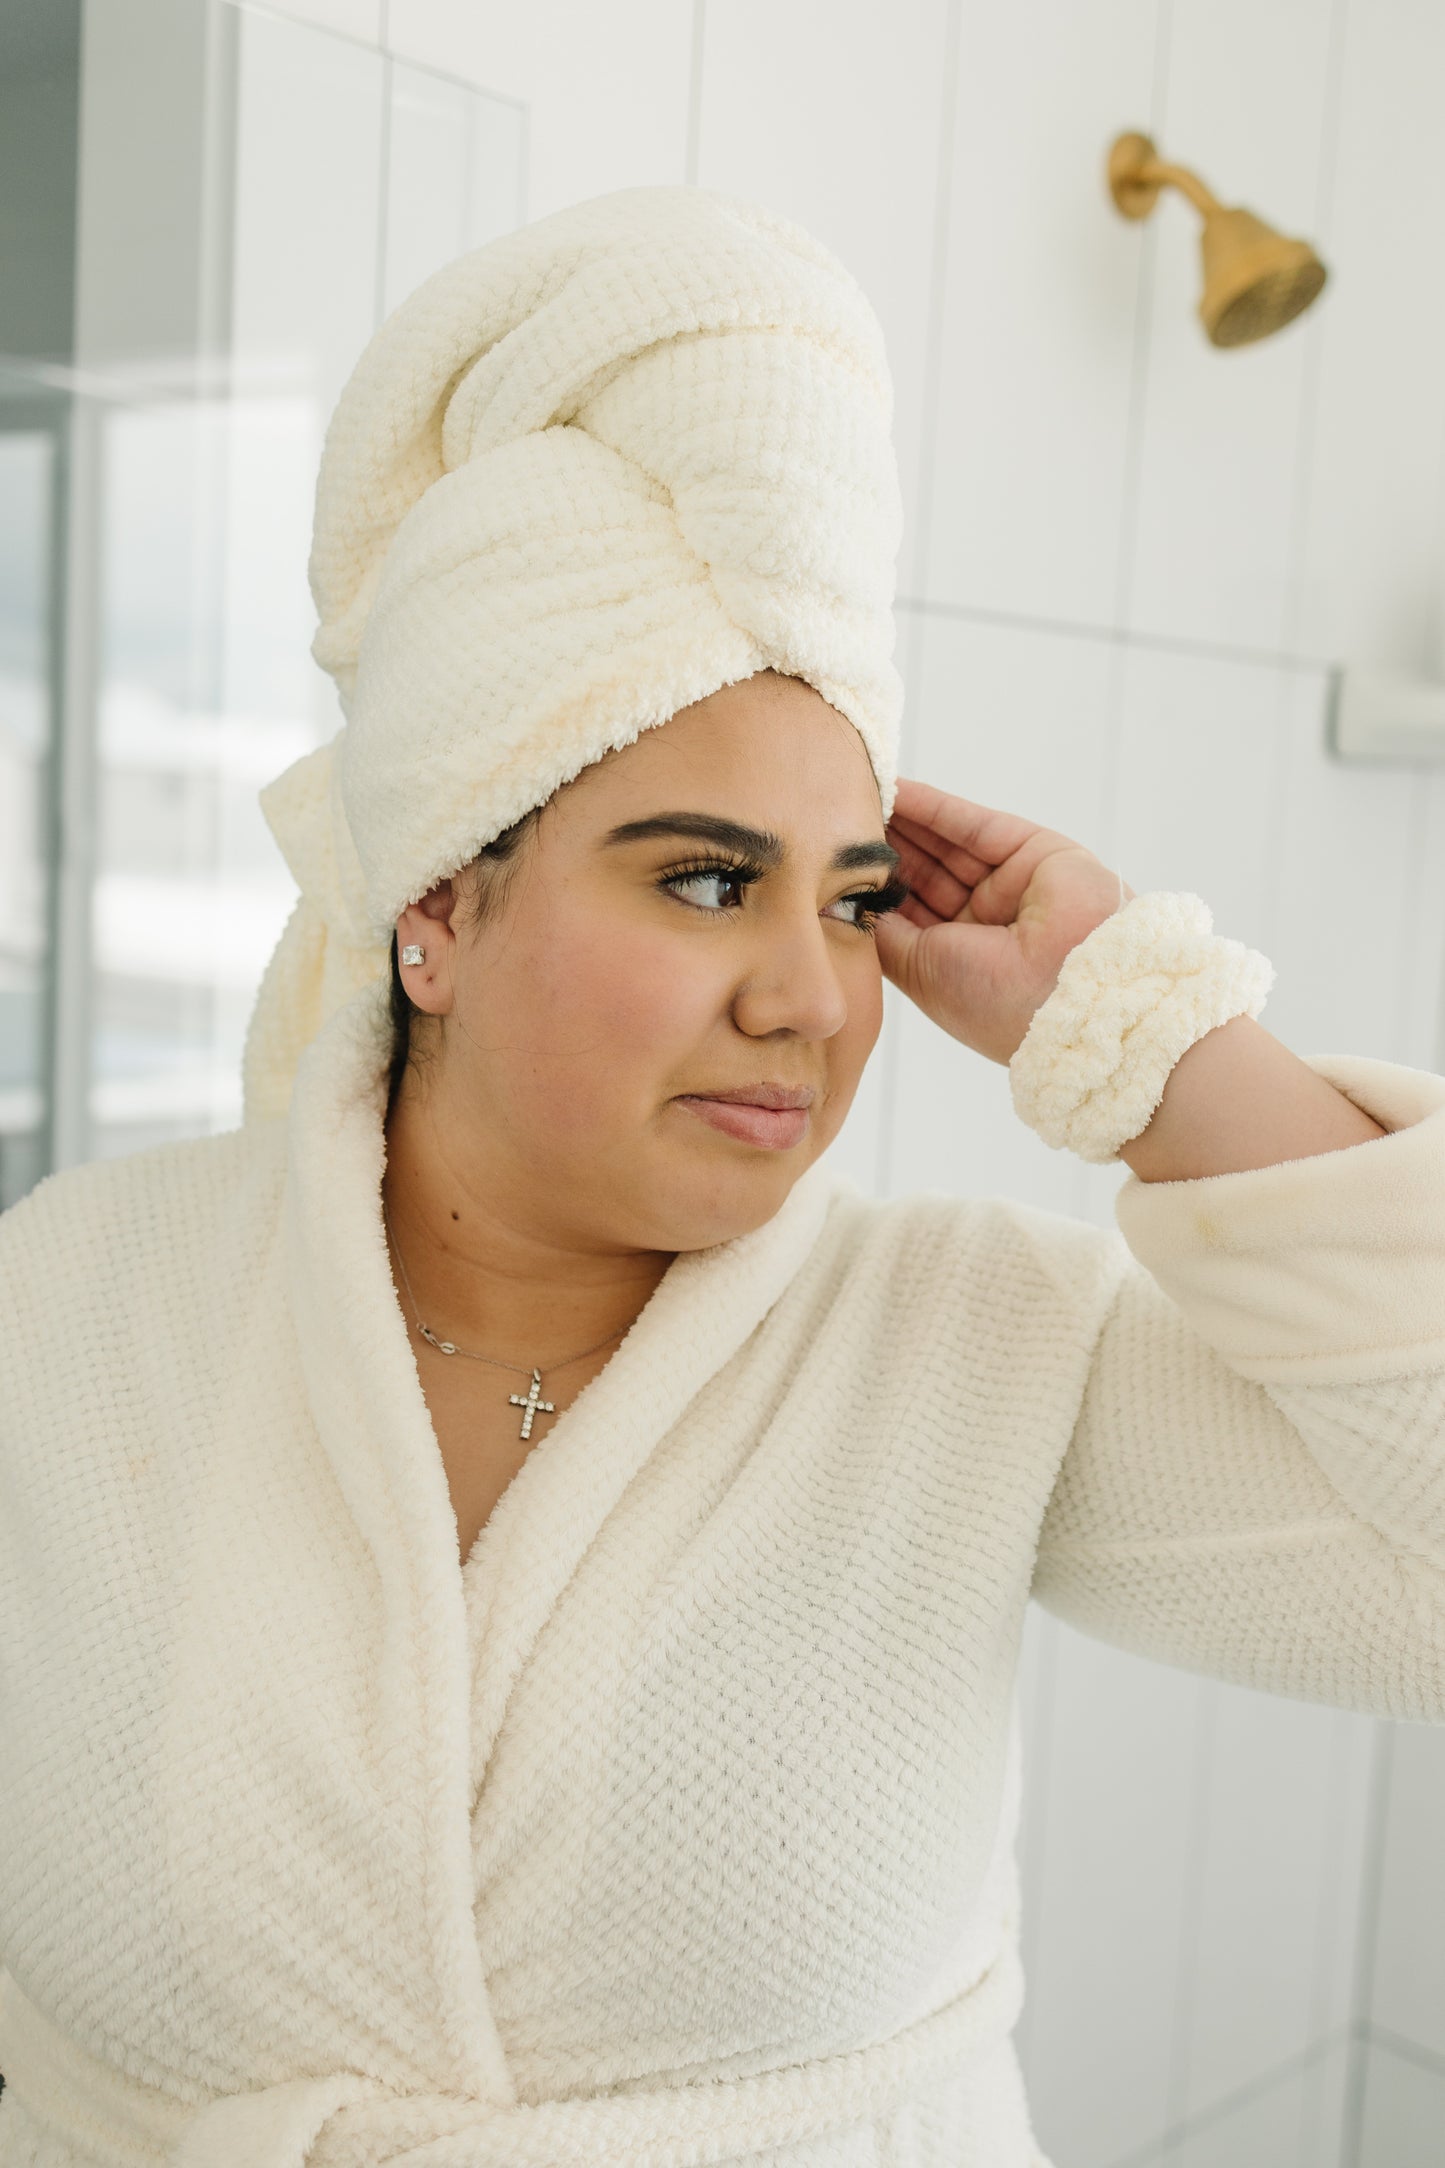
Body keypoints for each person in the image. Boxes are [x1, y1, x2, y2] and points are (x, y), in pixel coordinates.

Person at [1, 184, 1442, 2168]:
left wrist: (1147, 1029)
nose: (809, 995)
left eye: (855, 902)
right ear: (440, 899)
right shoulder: (75, 1301)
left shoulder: (974, 1346)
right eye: (702, 879)